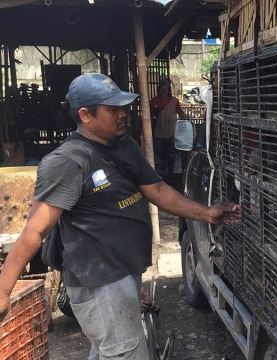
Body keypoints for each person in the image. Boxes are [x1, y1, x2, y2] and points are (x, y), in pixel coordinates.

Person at [0, 73, 241, 359]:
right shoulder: (68, 162)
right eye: (112, 109)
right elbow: (35, 232)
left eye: (123, 107)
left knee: (110, 352)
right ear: (85, 115)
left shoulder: (124, 146)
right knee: (124, 352)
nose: (122, 114)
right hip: (100, 285)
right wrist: (4, 291)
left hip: (123, 276)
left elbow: (159, 190)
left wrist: (208, 214)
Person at [151, 78, 185, 174]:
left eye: (166, 87)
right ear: (159, 88)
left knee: (171, 152)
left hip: (171, 131)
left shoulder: (174, 101)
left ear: (169, 89)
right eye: (162, 87)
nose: (164, 89)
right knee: (158, 151)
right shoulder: (155, 101)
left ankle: (171, 171)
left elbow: (180, 113)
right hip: (159, 131)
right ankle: (164, 163)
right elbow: (150, 116)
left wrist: (185, 124)